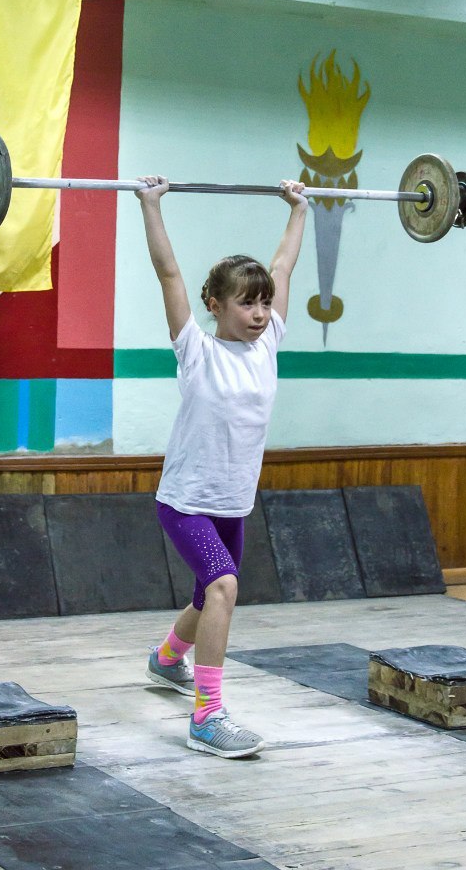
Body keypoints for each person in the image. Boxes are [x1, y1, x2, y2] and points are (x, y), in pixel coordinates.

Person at [137, 173, 308, 759]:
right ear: (216, 305)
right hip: (185, 501)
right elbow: (169, 274)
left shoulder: (269, 345)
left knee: (210, 595)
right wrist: (151, 203)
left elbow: (283, 268)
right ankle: (207, 716)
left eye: (263, 302)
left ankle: (165, 661)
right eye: (247, 302)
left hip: (234, 502)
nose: (261, 312)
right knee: (225, 587)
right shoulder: (196, 349)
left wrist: (298, 207)